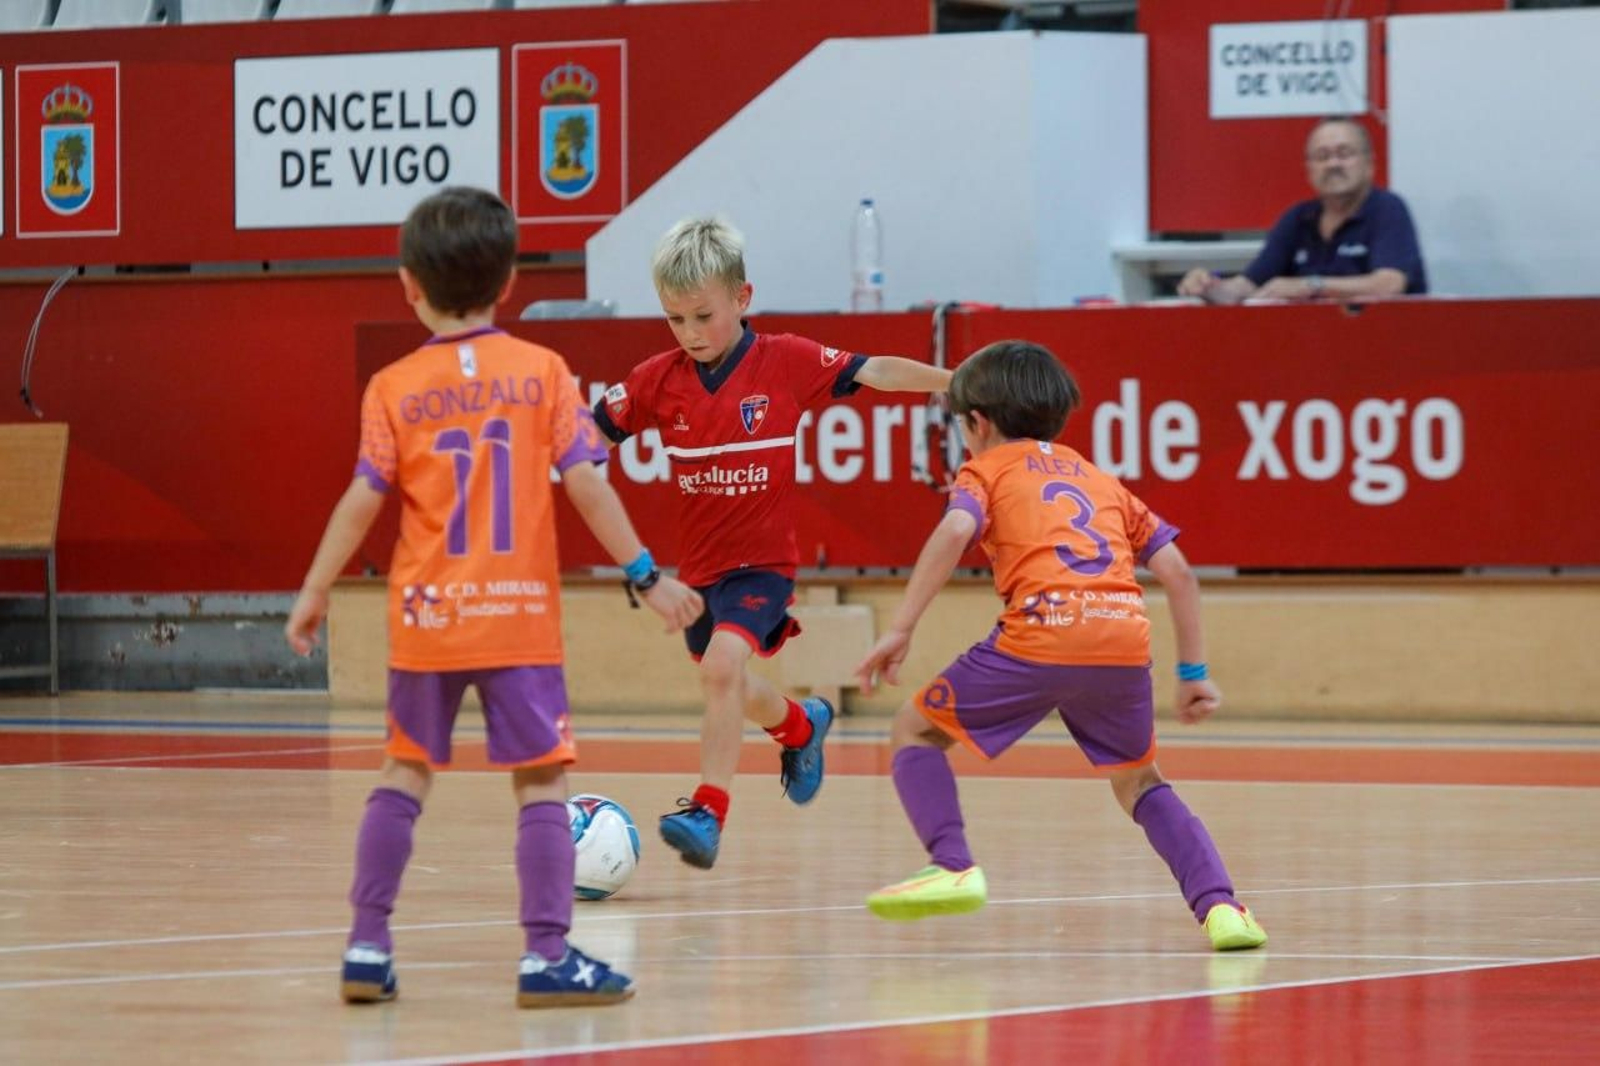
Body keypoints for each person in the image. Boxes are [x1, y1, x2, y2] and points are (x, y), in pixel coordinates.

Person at [284, 186, 703, 1008]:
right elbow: (588, 487)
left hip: (429, 620)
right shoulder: (543, 373)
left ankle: (367, 946)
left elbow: (363, 497)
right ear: (509, 280)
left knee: (403, 776)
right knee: (542, 786)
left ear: (409, 284)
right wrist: (649, 578)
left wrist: (314, 588)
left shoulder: (393, 387)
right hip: (517, 619)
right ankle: (547, 957)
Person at [852, 339, 1267, 952]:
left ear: (976, 423)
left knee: (915, 730)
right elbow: (1178, 571)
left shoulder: (983, 470)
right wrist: (1193, 671)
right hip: (1122, 640)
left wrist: (902, 626)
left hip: (1042, 632)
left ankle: (951, 864)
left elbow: (957, 528)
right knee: (1142, 783)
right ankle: (1223, 907)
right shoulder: (1100, 479)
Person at [591, 216, 953, 870]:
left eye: (703, 315)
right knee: (724, 678)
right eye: (675, 320)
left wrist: (954, 382)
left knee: (723, 667)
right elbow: (590, 435)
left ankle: (708, 810)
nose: (690, 334)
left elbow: (878, 374)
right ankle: (799, 724)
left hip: (762, 568)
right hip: (698, 573)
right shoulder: (656, 379)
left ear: (742, 298)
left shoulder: (784, 361)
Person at [1178, 116, 1426, 304]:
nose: (1333, 164)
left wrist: (1310, 286)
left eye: (1344, 153)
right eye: (1322, 156)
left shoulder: (1387, 209)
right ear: (1309, 169)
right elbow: (1247, 285)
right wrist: (1208, 286)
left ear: (1370, 164)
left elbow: (1389, 285)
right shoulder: (1297, 218)